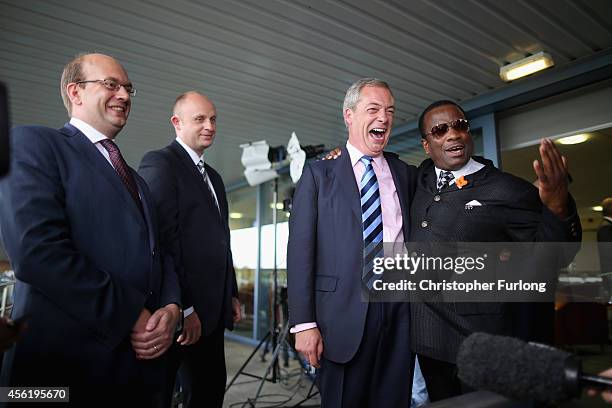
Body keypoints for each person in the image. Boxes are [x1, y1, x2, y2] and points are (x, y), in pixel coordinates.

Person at [0, 53, 181, 406]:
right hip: (59, 375)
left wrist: (172, 307)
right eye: (111, 84)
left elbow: (161, 252)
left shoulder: (137, 182)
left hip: (138, 372)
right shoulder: (33, 143)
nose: (125, 95)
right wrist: (131, 312)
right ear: (75, 92)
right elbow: (36, 252)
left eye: (128, 88)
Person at [409, 100, 581, 401]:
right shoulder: (417, 181)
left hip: (485, 345)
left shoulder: (507, 190)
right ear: (427, 145)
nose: (453, 134)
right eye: (440, 130)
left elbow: (556, 254)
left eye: (459, 125)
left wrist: (557, 208)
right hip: (430, 345)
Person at [287, 78, 418, 407]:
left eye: (389, 111)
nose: (384, 118)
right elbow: (300, 254)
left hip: (400, 314)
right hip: (341, 318)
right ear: (349, 115)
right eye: (373, 109)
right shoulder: (319, 175)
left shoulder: (406, 173)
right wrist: (303, 324)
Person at [138, 91, 241, 408]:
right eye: (200, 119)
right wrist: (184, 307)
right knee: (173, 394)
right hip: (182, 314)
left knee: (210, 392)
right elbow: (162, 242)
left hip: (213, 311)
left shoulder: (215, 178)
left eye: (213, 119)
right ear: (176, 122)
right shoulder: (160, 163)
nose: (209, 125)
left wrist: (231, 293)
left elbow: (223, 242)